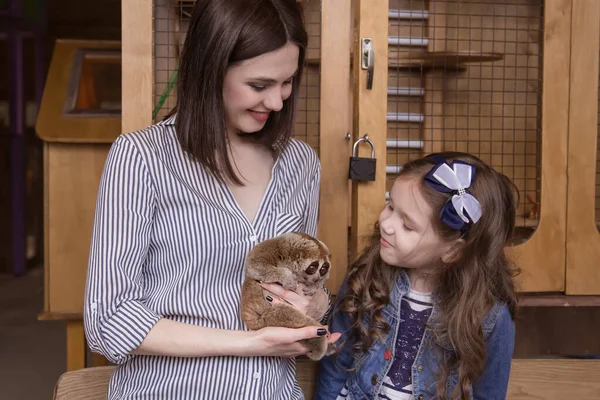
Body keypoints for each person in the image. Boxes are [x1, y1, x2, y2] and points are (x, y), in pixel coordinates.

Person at [83, 0, 339, 398]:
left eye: (287, 82)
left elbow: (306, 284)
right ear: (210, 68)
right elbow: (108, 319)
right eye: (259, 85)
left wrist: (312, 307)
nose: (276, 102)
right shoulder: (142, 158)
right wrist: (250, 344)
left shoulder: (300, 163)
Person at [315, 152, 519, 400]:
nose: (386, 224)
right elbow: (336, 362)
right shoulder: (366, 275)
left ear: (453, 250)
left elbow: (490, 394)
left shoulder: (491, 315)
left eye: (408, 226)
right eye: (390, 206)